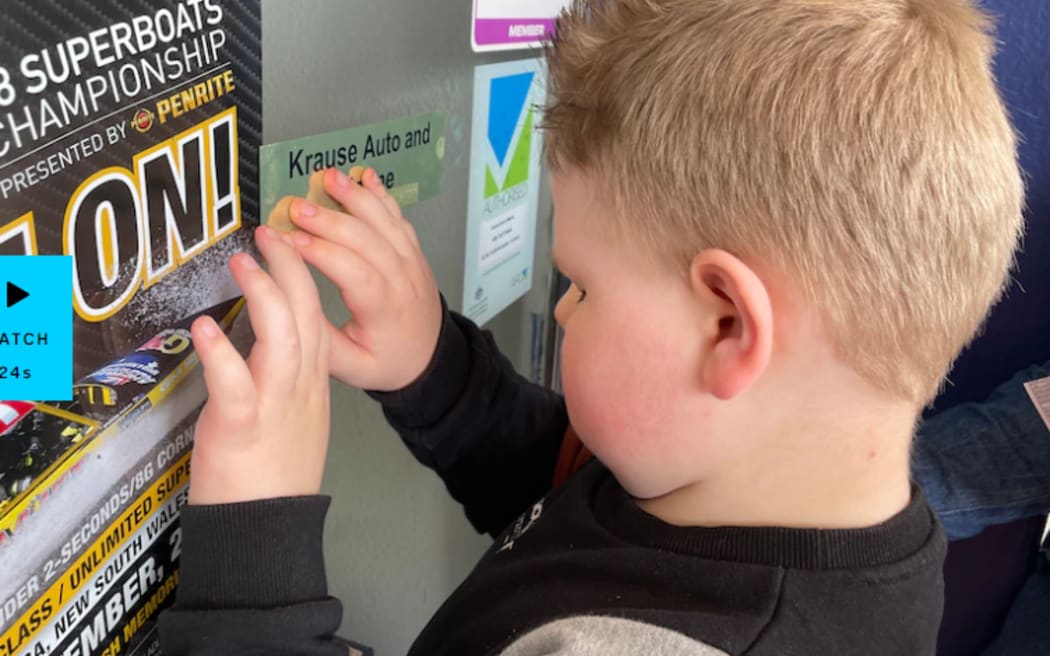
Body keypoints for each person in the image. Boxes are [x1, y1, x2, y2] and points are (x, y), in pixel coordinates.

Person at [157, 1, 1025, 654]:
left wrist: (254, 567)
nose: (564, 306)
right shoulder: (745, 481)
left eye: (581, 284)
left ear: (727, 326)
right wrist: (431, 366)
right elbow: (569, 495)